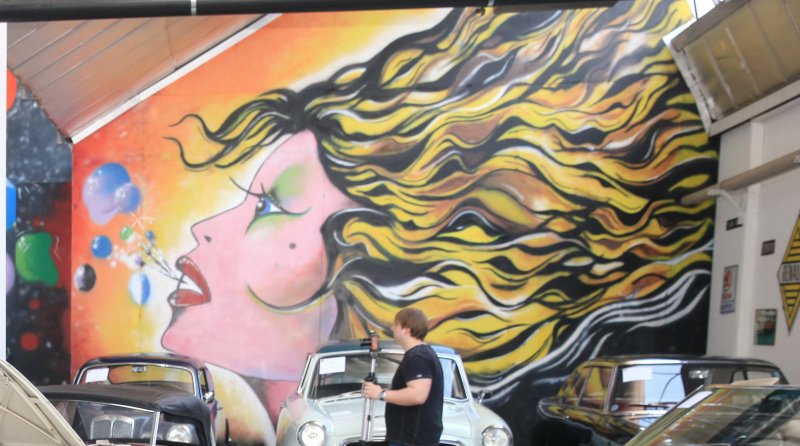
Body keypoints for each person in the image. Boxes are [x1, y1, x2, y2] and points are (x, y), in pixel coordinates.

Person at [161, 1, 713, 416]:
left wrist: (380, 395)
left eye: (269, 205)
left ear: (372, 264)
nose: (204, 229)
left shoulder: (417, 362)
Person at [362, 309, 441, 446]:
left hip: (409, 443)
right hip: (411, 441)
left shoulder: (417, 357)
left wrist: (381, 394)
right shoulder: (421, 355)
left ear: (407, 329)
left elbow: (418, 395)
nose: (392, 328)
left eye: (395, 324)